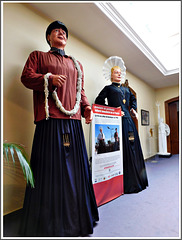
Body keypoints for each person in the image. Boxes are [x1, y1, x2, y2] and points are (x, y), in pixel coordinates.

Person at [19, 20, 99, 237]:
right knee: (51, 171)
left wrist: (86, 108)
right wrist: (49, 78)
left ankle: (78, 218)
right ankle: (50, 225)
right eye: (56, 30)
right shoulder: (38, 56)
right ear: (48, 38)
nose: (61, 32)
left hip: (73, 122)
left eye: (63, 31)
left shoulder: (77, 64)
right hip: (49, 120)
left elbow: (80, 90)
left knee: (76, 171)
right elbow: (26, 77)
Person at [95, 56, 148, 193]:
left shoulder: (126, 90)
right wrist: (113, 111)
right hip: (118, 124)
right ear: (111, 75)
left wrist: (133, 109)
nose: (118, 74)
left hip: (130, 122)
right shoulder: (108, 88)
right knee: (123, 150)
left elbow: (133, 99)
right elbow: (98, 101)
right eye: (115, 72)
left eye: (120, 72)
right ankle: (127, 184)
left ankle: (139, 181)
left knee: (134, 148)